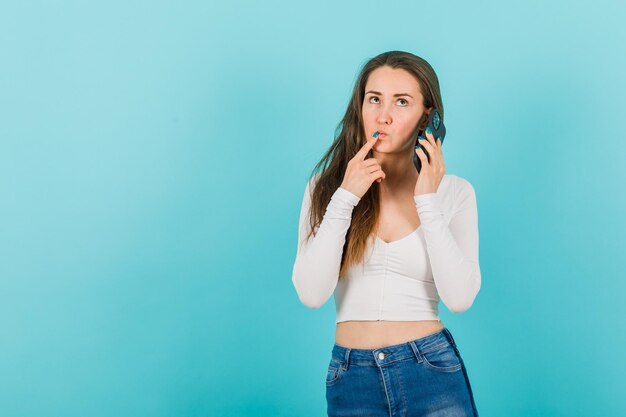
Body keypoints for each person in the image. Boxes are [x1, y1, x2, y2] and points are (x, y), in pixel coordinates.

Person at [291, 50, 481, 416]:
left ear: (428, 116)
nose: (383, 115)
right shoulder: (325, 188)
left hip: (431, 370)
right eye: (374, 99)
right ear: (359, 106)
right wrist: (345, 196)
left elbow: (459, 298)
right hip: (352, 378)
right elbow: (310, 293)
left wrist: (427, 200)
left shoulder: (455, 193)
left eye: (402, 102)